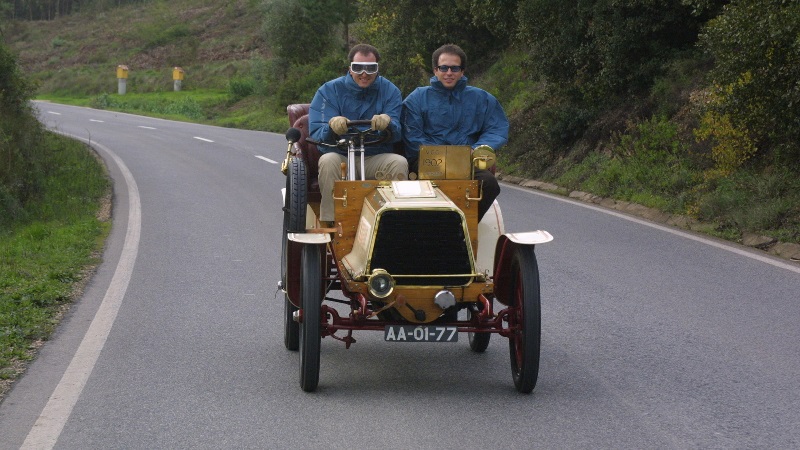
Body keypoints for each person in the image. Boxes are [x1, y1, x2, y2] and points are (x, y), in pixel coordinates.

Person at [402, 43, 507, 222]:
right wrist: (441, 156)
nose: (449, 72)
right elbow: (412, 135)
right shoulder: (417, 98)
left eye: (454, 68)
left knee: (489, 184)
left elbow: (496, 128)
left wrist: (478, 148)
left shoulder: (481, 98)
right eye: (444, 67)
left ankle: (463, 227)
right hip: (426, 162)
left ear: (462, 71)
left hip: (467, 162)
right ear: (435, 70)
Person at [309, 44, 407, 225]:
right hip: (341, 156)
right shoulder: (328, 91)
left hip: (375, 156)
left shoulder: (390, 91)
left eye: (370, 68)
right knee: (328, 161)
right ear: (350, 69)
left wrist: (389, 125)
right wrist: (331, 127)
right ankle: (330, 222)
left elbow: (398, 133)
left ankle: (392, 222)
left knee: (398, 163)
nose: (364, 73)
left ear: (377, 69)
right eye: (358, 67)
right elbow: (316, 133)